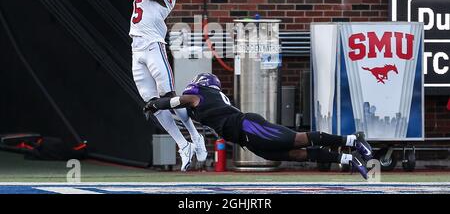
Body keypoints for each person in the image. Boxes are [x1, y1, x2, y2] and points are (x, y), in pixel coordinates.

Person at [146, 73, 374, 179]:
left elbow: (179, 101)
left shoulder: (198, 95)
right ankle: (347, 159)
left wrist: (155, 104)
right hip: (246, 139)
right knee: (294, 154)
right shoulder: (208, 97)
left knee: (296, 139)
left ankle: (352, 140)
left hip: (248, 127)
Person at [114, 0, 208, 171]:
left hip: (154, 46)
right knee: (152, 103)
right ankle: (183, 144)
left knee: (169, 99)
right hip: (138, 49)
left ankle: (195, 136)